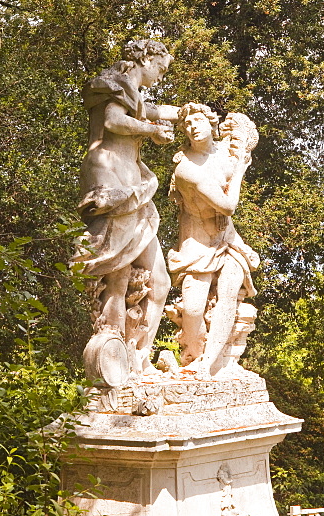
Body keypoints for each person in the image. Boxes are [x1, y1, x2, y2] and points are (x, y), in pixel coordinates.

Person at [72, 40, 179, 382]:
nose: (161, 76)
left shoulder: (134, 92)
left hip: (134, 181)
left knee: (159, 280)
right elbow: (115, 121)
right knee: (116, 272)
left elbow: (153, 111)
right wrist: (152, 131)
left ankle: (138, 358)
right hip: (110, 174)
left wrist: (188, 112)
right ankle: (113, 365)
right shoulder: (112, 83)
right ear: (145, 58)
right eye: (160, 68)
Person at [166, 103, 260, 378]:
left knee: (229, 293)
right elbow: (228, 205)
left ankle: (210, 365)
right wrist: (241, 169)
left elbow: (243, 133)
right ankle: (195, 358)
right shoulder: (186, 169)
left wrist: (241, 141)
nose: (192, 127)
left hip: (227, 238)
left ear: (211, 123)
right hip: (196, 241)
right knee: (193, 308)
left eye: (197, 121)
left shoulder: (223, 151)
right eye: (186, 125)